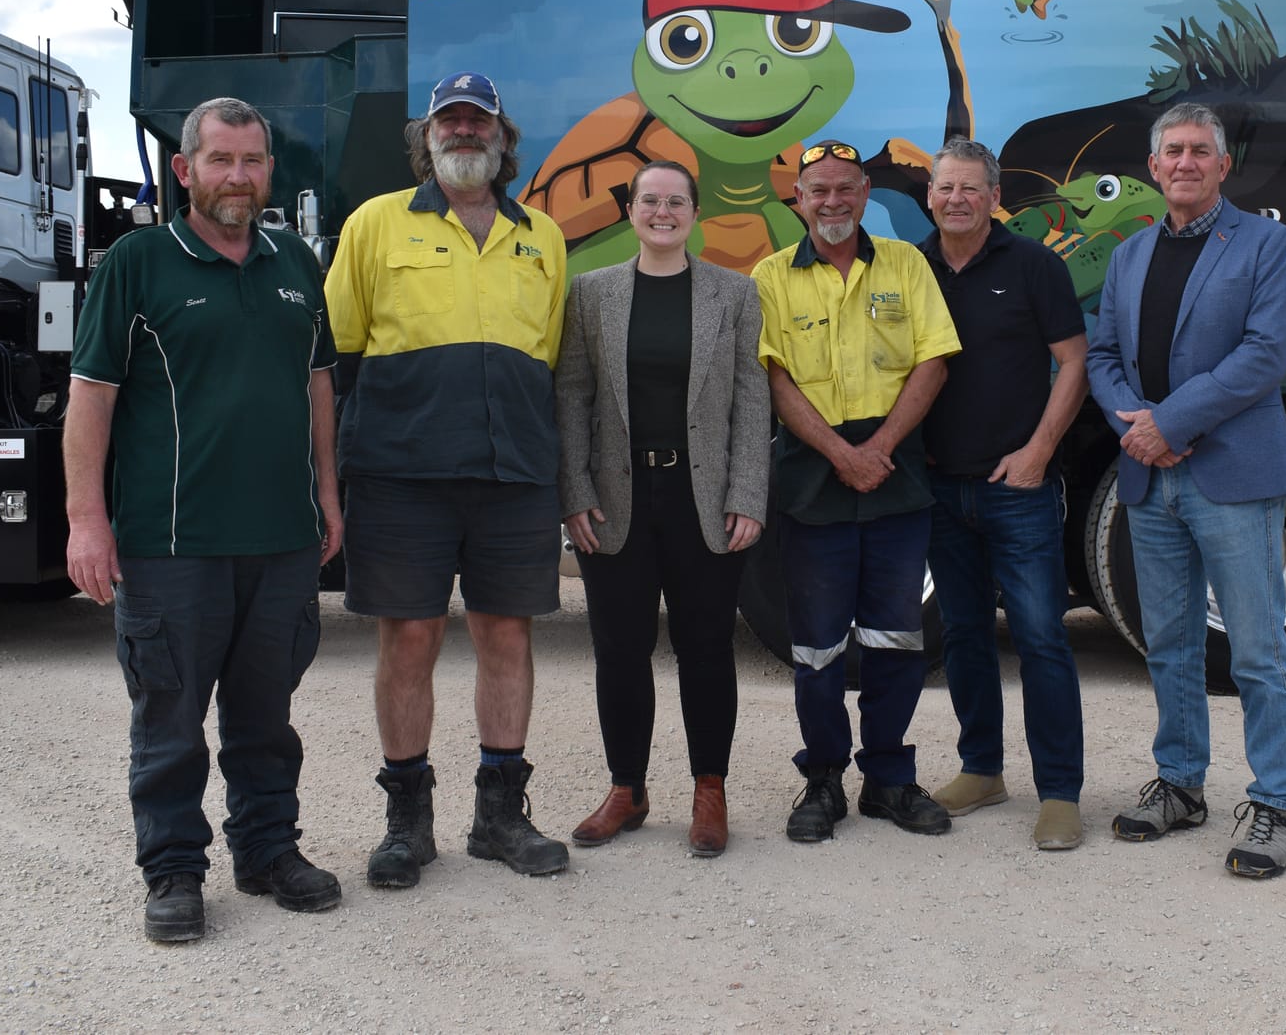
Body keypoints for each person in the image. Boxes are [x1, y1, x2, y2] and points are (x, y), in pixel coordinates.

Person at [65, 96, 343, 943]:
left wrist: (328, 495)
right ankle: (175, 871)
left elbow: (318, 384)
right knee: (171, 721)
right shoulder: (140, 263)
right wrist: (87, 519)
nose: (237, 176)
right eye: (220, 160)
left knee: (267, 717)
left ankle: (267, 850)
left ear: (269, 172)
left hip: (282, 540)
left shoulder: (295, 259)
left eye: (252, 161)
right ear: (185, 169)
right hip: (172, 544)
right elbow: (91, 398)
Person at [326, 71, 571, 884]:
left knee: (508, 636)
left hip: (513, 474)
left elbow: (553, 359)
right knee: (411, 639)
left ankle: (500, 817)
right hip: (402, 475)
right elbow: (337, 356)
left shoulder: (543, 236)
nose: (464, 132)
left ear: (504, 139)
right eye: (449, 121)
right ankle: (407, 822)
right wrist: (330, 477)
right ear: (424, 137)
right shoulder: (375, 225)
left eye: (479, 121)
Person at [1084, 101, 1286, 878]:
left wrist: (1170, 423)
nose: (1184, 161)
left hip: (1232, 476)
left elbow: (1263, 354)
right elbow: (1103, 353)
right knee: (1170, 647)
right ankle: (1179, 785)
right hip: (1152, 477)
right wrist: (1135, 425)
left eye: (1198, 150)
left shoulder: (1267, 243)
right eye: (1171, 150)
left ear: (1222, 165)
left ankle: (1278, 805)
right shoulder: (1128, 255)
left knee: (1256, 652)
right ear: (1153, 167)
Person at [554, 159, 771, 858]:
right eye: (650, 201)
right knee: (620, 650)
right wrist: (575, 492)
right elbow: (572, 398)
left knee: (706, 648)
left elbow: (750, 401)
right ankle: (628, 787)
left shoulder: (734, 294)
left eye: (675, 201)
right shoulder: (592, 294)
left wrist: (746, 495)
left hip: (701, 499)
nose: (662, 212)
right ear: (631, 211)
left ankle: (710, 788)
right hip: (616, 500)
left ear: (694, 212)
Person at [751, 140, 961, 842]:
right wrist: (842, 452)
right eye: (820, 191)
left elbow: (933, 360)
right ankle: (823, 779)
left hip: (895, 474)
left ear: (865, 192)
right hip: (816, 477)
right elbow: (776, 378)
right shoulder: (771, 276)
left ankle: (889, 779)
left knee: (898, 637)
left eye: (845, 188)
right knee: (815, 645)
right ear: (799, 200)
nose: (833, 201)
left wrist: (878, 449)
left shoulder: (907, 264)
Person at [917, 137, 1090, 851]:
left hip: (1016, 487)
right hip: (938, 487)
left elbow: (1074, 360)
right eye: (945, 187)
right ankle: (981, 768)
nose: (956, 199)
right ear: (930, 195)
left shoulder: (1034, 265)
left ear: (994, 196)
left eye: (969, 188)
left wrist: (1040, 451)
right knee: (961, 635)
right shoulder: (910, 265)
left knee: (1043, 637)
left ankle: (1059, 791)